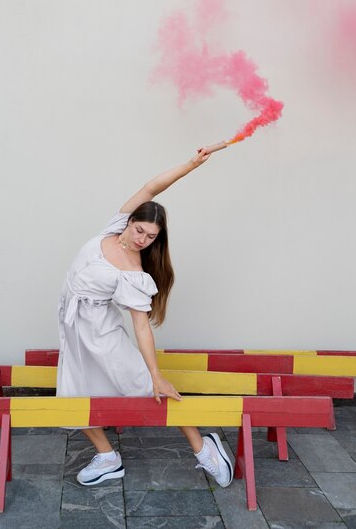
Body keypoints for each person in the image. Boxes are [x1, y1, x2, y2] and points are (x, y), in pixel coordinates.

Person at [56, 148, 233, 488]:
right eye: (140, 230)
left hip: (101, 333)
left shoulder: (134, 272)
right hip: (74, 326)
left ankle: (204, 448)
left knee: (148, 387)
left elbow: (140, 325)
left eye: (151, 237)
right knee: (73, 394)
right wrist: (191, 164)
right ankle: (108, 458)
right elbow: (152, 188)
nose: (142, 240)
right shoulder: (115, 225)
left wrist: (155, 373)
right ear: (131, 221)